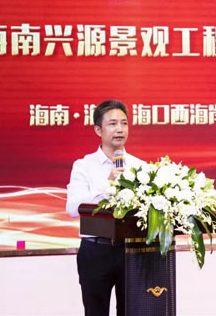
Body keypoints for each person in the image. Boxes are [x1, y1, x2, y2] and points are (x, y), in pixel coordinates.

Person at [66, 99, 145, 316]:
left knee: (132, 311)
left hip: (131, 251)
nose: (120, 129)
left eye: (124, 123)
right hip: (95, 250)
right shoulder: (83, 166)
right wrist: (107, 185)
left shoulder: (140, 167)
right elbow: (72, 207)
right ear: (98, 130)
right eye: (112, 124)